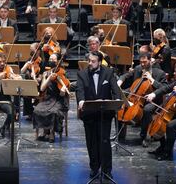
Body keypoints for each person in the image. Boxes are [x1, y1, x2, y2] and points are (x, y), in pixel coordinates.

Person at [76, 51, 121, 179]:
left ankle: (107, 169)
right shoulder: (82, 74)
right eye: (89, 60)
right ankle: (94, 168)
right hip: (89, 113)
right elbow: (79, 90)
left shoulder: (108, 72)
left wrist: (117, 100)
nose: (90, 63)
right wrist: (81, 101)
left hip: (104, 113)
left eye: (93, 61)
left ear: (99, 62)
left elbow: (115, 89)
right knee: (91, 142)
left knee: (104, 141)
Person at [117, 52, 167, 146]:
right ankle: (120, 135)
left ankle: (144, 136)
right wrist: (120, 80)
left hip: (153, 100)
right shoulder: (138, 69)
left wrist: (152, 80)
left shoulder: (159, 73)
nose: (143, 64)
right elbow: (127, 75)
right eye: (141, 62)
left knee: (147, 109)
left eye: (145, 62)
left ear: (150, 60)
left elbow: (164, 88)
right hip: (136, 96)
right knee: (120, 102)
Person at [145, 62, 176, 161]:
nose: (174, 73)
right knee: (157, 122)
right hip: (175, 112)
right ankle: (163, 146)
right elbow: (165, 88)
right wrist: (153, 94)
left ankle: (167, 152)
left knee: (170, 126)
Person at [34, 53, 69, 143]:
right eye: (50, 59)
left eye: (54, 59)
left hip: (59, 100)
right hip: (48, 99)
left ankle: (52, 132)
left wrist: (62, 91)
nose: (51, 61)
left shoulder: (62, 73)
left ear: (58, 61)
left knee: (53, 111)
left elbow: (62, 95)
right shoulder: (46, 73)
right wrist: (49, 78)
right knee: (37, 110)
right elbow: (42, 88)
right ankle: (45, 131)